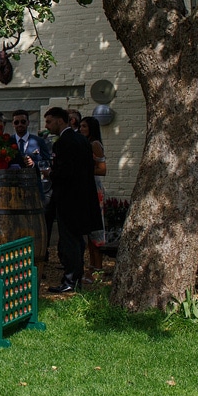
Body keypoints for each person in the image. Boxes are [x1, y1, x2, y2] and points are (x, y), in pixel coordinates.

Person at [46, 107, 103, 293]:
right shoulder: (82, 140)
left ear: (60, 121)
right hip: (83, 196)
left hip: (68, 198)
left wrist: (50, 173)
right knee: (77, 240)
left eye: (49, 121)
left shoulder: (63, 142)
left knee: (70, 240)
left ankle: (70, 280)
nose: (47, 126)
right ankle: (75, 278)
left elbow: (65, 172)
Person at [80, 116, 108, 281]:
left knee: (96, 230)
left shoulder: (95, 145)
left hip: (95, 188)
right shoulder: (85, 143)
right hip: (87, 187)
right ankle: (91, 267)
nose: (81, 129)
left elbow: (102, 170)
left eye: (84, 126)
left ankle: (98, 268)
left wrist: (84, 170)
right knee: (89, 231)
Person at [13, 109, 52, 202]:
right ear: (13, 124)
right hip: (14, 187)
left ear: (28, 122)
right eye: (16, 122)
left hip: (34, 186)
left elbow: (47, 162)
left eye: (23, 122)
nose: (20, 124)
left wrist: (34, 164)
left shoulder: (39, 141)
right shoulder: (8, 141)